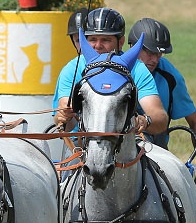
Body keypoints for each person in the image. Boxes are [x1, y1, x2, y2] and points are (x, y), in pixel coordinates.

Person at [127, 17, 196, 191]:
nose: (155, 59)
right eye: (149, 52)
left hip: (156, 153)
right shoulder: (115, 69)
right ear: (132, 47)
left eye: (159, 54)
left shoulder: (171, 77)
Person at [53, 7, 168, 135]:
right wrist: (63, 117)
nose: (98, 45)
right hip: (81, 140)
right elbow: (66, 124)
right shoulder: (71, 69)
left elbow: (159, 118)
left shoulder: (137, 68)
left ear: (121, 42)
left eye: (106, 40)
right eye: (92, 39)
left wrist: (144, 121)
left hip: (127, 138)